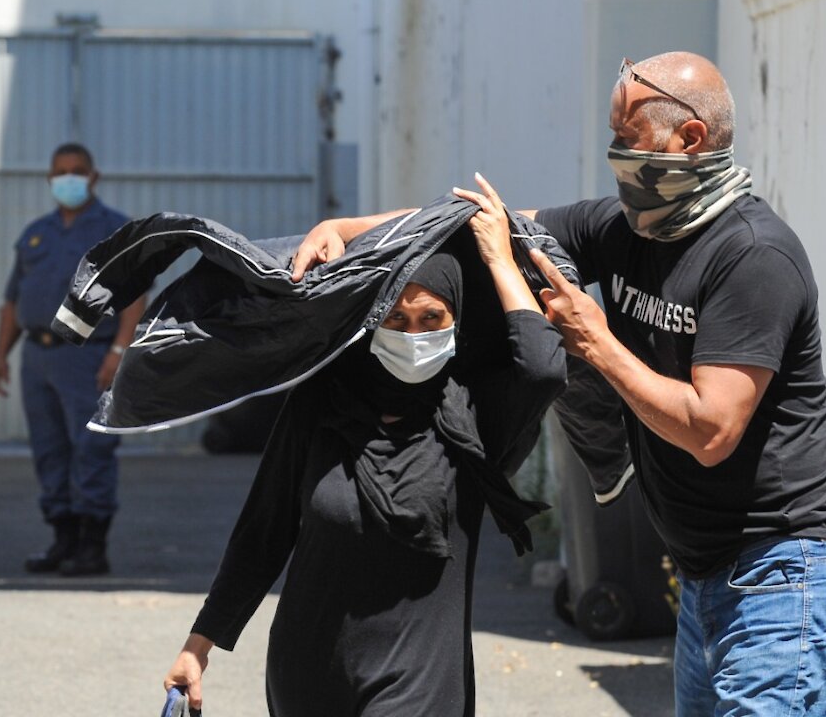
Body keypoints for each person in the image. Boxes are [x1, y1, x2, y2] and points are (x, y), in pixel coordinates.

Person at [290, 52, 826, 716]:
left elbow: (712, 430)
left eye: (627, 135)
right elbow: (484, 224)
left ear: (690, 139)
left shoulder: (752, 257)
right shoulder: (624, 231)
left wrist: (598, 344)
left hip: (781, 573)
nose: (614, 151)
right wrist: (343, 230)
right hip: (706, 571)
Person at [163, 188, 567, 715]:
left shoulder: (474, 418)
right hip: (307, 676)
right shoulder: (323, 403)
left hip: (420, 682)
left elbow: (542, 368)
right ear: (371, 321)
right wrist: (199, 645)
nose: (413, 334)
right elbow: (264, 531)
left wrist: (496, 256)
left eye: (431, 319)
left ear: (457, 323)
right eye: (396, 320)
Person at [0, 142, 145, 577]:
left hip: (88, 355)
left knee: (92, 449)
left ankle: (93, 547)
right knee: (49, 451)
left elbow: (135, 297)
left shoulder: (114, 230)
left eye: (77, 170)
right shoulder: (36, 233)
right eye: (61, 172)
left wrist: (119, 352)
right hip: (37, 358)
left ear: (94, 176)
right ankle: (63, 539)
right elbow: (12, 300)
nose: (69, 178)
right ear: (49, 178)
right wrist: (0, 356)